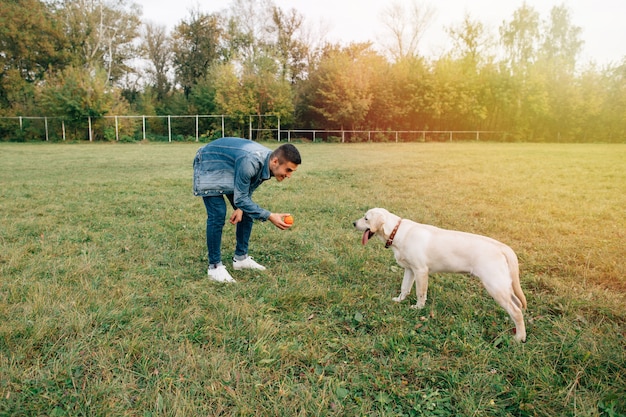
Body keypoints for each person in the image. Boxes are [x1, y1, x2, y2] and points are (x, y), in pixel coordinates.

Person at [193, 137, 301, 283]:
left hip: (230, 166)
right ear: (275, 161)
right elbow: (241, 197)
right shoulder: (250, 162)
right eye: (288, 170)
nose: (289, 175)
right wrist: (269, 216)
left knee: (247, 211)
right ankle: (214, 267)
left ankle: (241, 259)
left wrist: (241, 207)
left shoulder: (268, 163)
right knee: (217, 214)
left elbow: (248, 187)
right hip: (209, 162)